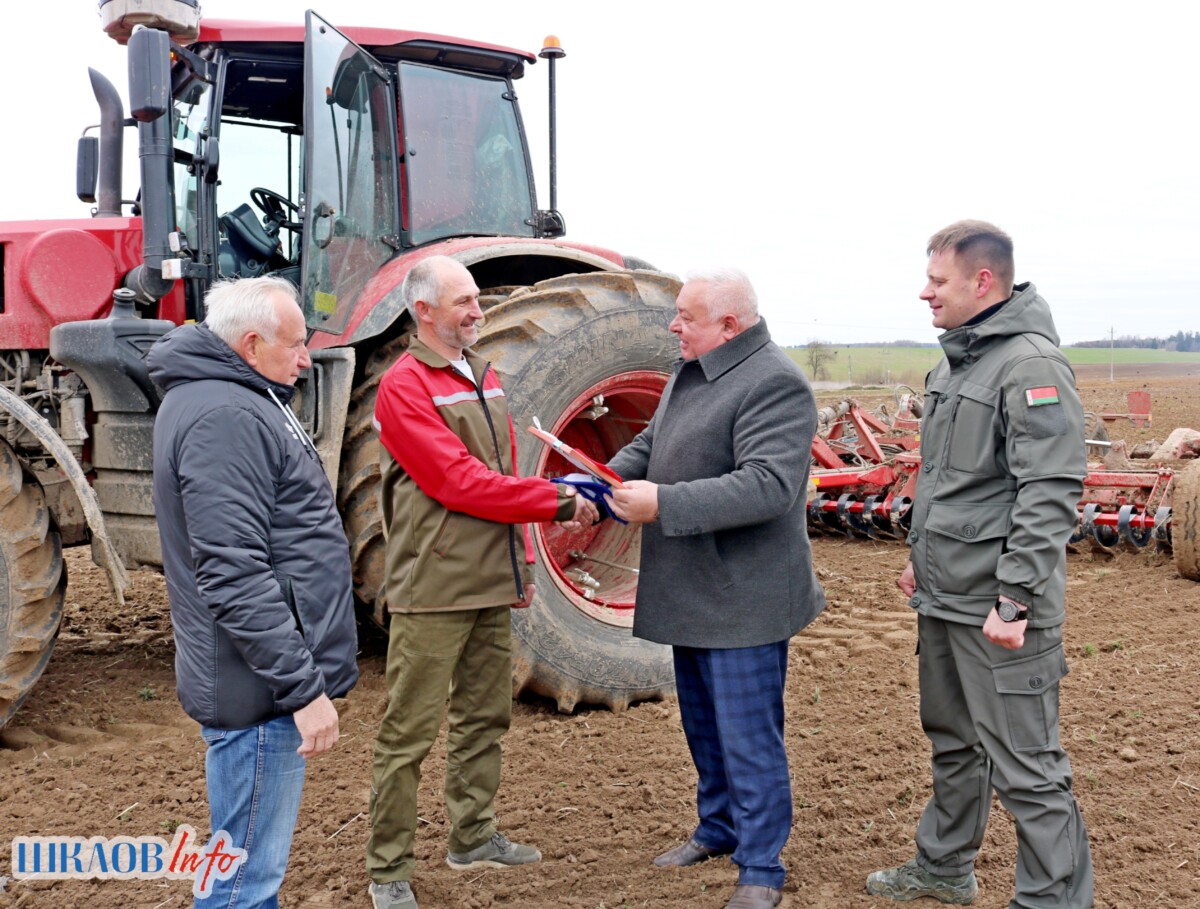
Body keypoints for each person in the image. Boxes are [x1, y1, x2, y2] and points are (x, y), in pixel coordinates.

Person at [866, 221, 1094, 907]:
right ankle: (944, 866)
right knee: (954, 742)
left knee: (1029, 768)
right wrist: (921, 559)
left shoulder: (1030, 366)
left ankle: (1052, 900)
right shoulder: (955, 363)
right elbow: (951, 481)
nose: (925, 293)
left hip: (1001, 610)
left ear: (982, 281)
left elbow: (1049, 490)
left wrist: (1016, 598)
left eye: (938, 281)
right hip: (947, 596)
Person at [366, 255, 599, 909]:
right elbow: (455, 482)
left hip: (492, 578)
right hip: (434, 585)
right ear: (424, 313)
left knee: (484, 717)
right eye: (464, 301)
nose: (478, 310)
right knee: (408, 732)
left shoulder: (483, 376)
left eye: (476, 300)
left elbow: (503, 469)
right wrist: (554, 500)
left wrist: (523, 557)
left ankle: (472, 836)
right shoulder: (404, 386)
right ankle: (388, 868)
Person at [606, 267, 826, 909]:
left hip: (744, 596)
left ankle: (762, 868)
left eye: (687, 317)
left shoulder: (775, 383)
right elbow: (653, 443)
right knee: (704, 727)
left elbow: (768, 486)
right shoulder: (692, 372)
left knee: (748, 735)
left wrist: (662, 504)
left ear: (730, 326)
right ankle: (718, 828)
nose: (674, 326)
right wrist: (600, 483)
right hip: (692, 587)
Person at [148, 275, 359, 909]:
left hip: (253, 679)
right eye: (295, 345)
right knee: (243, 883)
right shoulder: (227, 416)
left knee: (240, 870)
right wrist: (303, 689)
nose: (305, 357)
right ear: (249, 344)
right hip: (258, 692)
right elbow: (233, 573)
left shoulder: (240, 399)